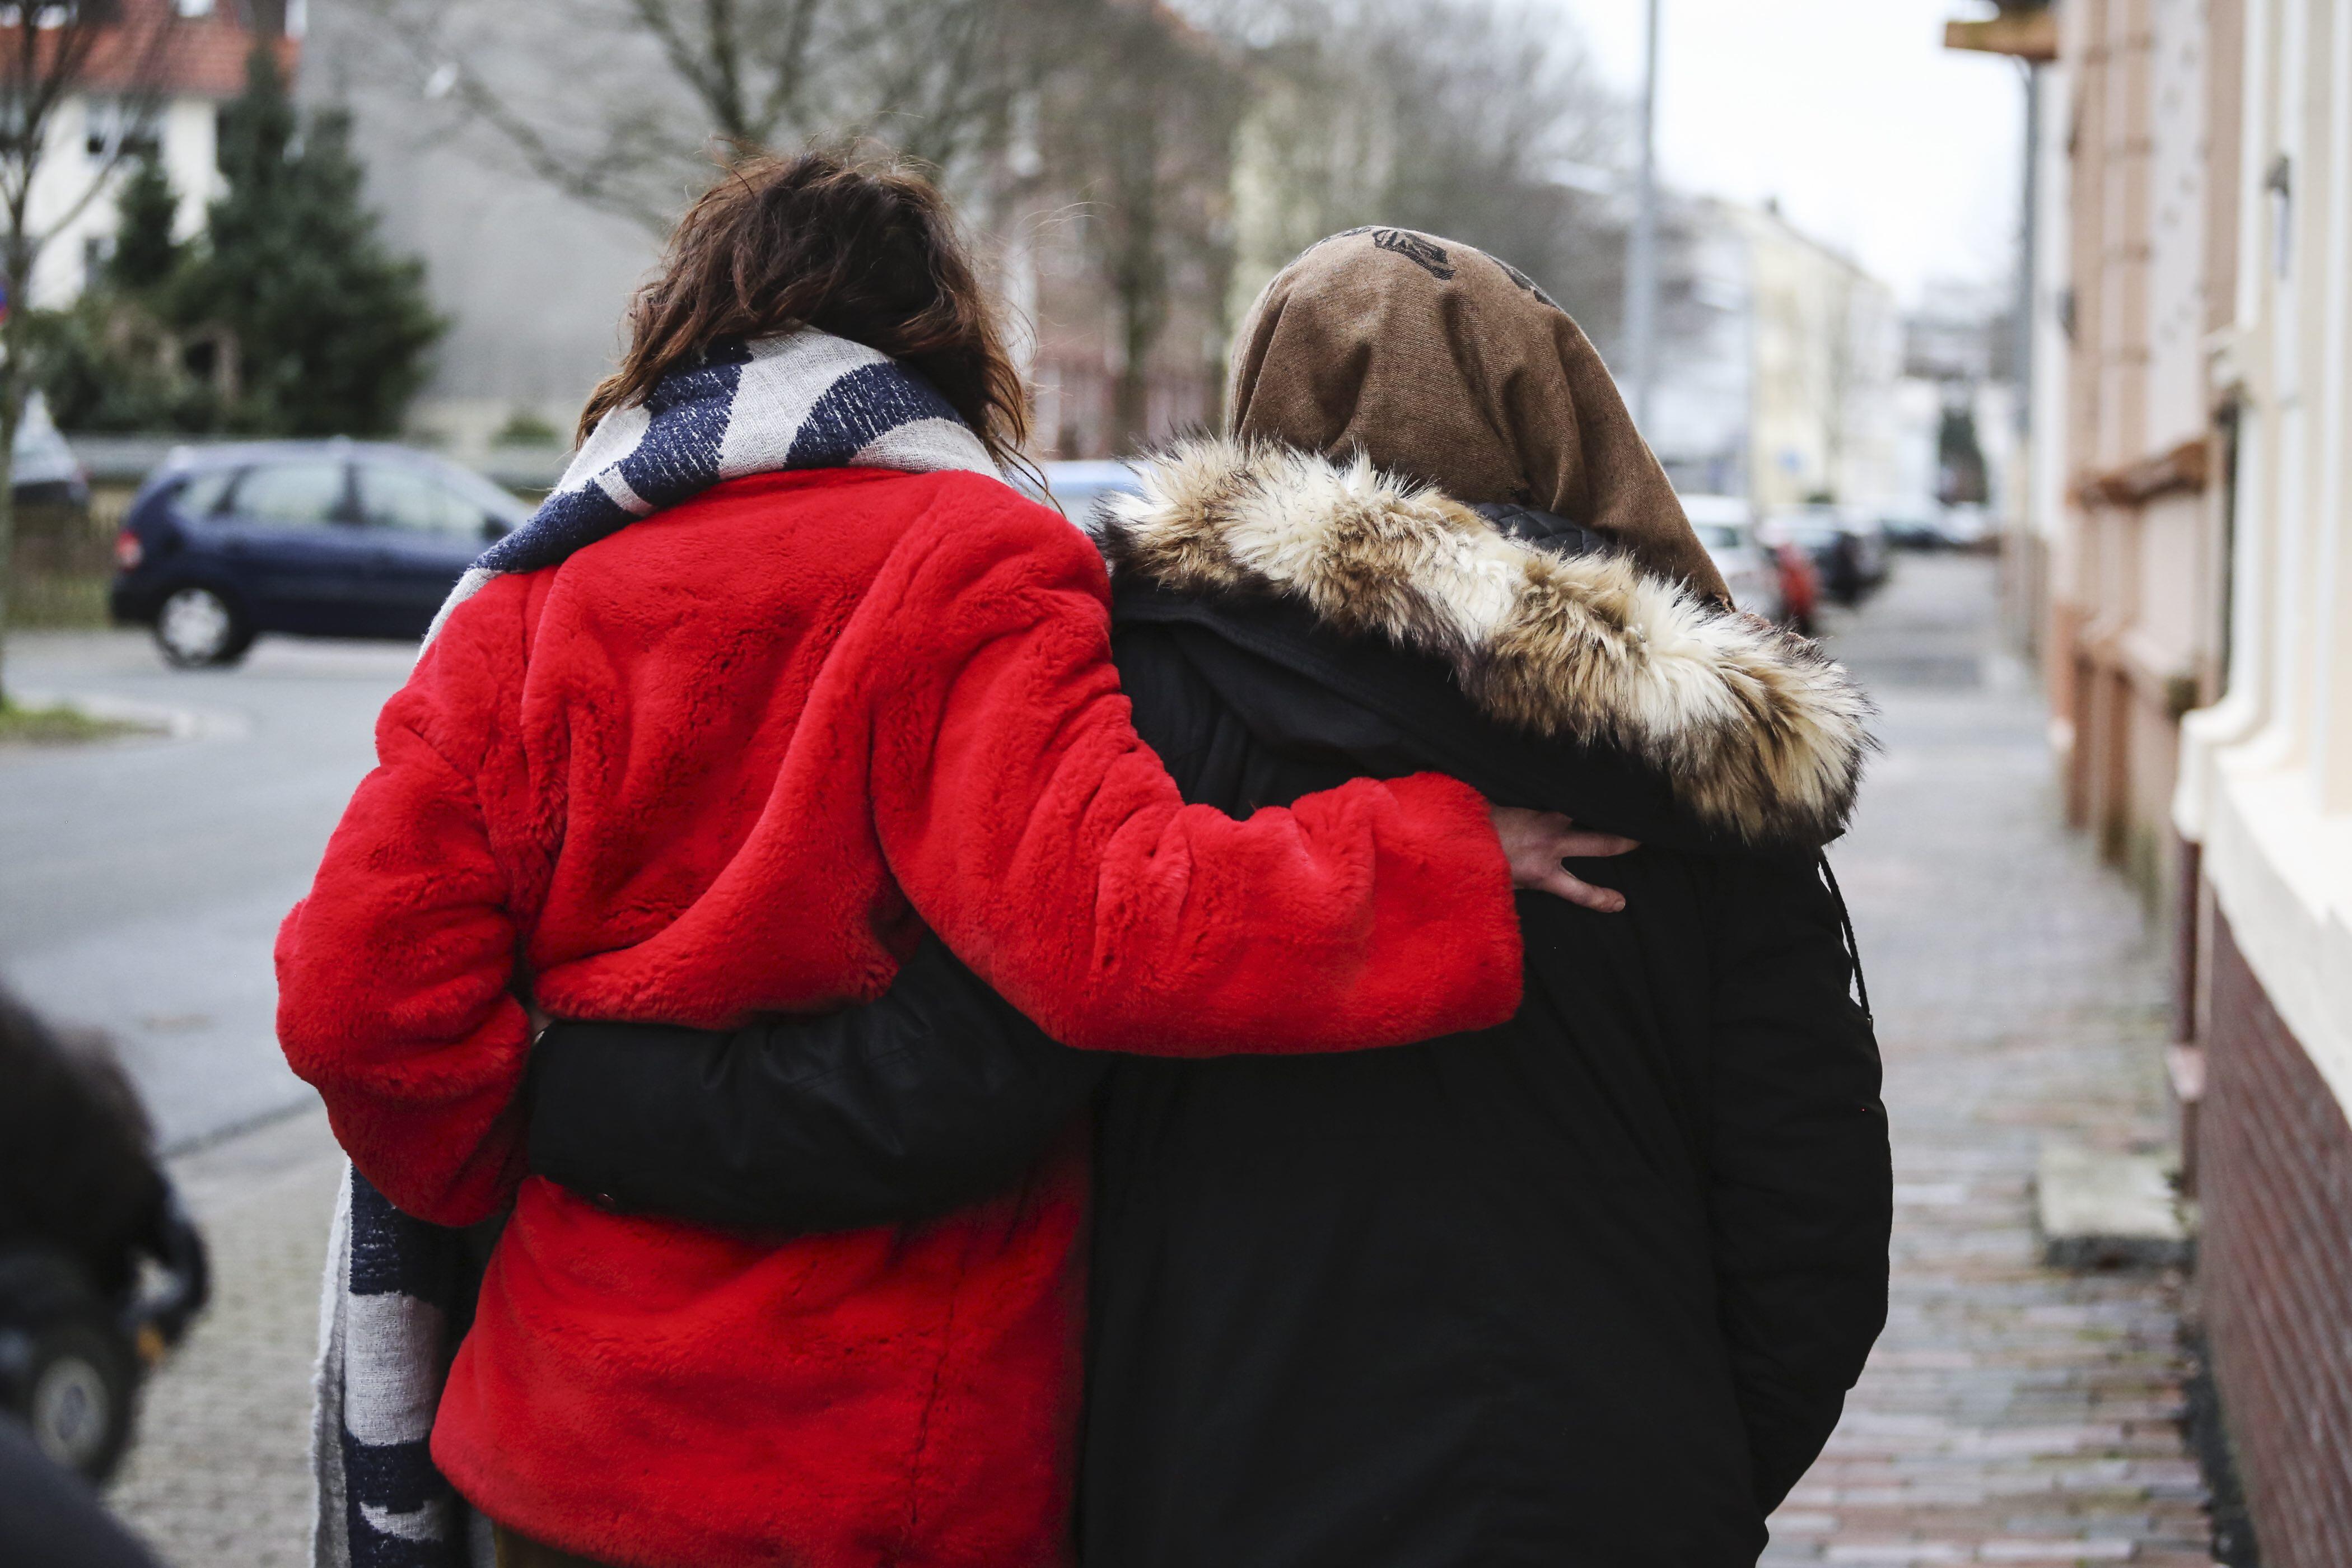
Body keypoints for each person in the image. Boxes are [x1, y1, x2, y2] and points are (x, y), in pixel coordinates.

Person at [274, 156, 1617, 1568]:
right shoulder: (975, 558)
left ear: (686, 328)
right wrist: (1441, 859)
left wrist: (519, 1151)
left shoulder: (533, 595)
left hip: (564, 1444)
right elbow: (1119, 927)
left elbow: (358, 1000)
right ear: (940, 342)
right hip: (874, 1467)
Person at [526, 228, 1893, 1566]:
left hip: (1199, 1481)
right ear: (1561, 418)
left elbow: (945, 1088)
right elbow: (1811, 1213)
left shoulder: (1111, 697)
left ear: (1260, 406)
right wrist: (1682, 1467)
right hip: (1610, 1488)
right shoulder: (1706, 766)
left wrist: (579, 1089)